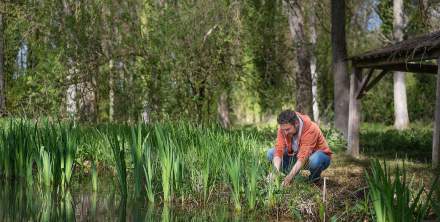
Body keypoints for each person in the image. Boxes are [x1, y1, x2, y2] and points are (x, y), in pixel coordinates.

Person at [267, 109, 332, 186]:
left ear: (296, 123)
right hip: (297, 157)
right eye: (283, 130)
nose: (285, 133)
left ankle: (313, 178)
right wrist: (275, 172)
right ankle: (299, 175)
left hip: (319, 156)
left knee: (314, 160)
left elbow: (303, 157)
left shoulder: (310, 128)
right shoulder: (284, 127)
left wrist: (289, 178)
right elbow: (279, 150)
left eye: (288, 129)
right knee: (271, 153)